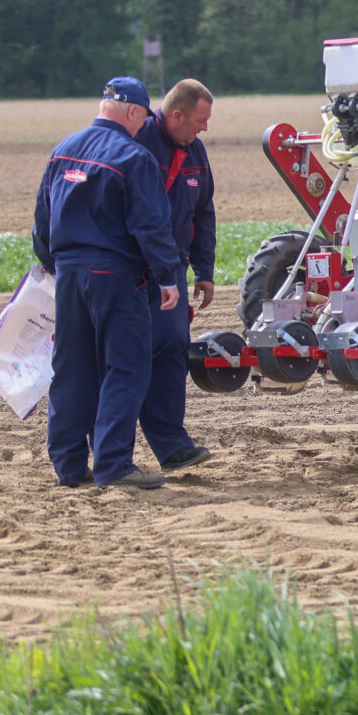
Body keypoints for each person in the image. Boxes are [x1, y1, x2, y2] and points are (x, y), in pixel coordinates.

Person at [31, 77, 182, 490]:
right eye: (142, 118)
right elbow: (150, 225)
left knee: (71, 369)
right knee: (127, 368)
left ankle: (68, 466)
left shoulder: (61, 151)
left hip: (68, 273)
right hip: (114, 275)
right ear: (133, 112)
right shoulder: (135, 157)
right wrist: (167, 276)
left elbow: (42, 223)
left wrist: (55, 265)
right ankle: (114, 465)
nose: (142, 126)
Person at [134, 79, 216, 473]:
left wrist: (205, 270)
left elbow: (203, 213)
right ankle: (102, 450)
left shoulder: (195, 152)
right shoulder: (137, 144)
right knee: (124, 355)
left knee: (171, 352)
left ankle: (171, 445)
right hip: (132, 273)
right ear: (176, 115)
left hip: (175, 272)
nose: (204, 129)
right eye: (200, 121)